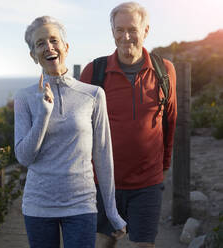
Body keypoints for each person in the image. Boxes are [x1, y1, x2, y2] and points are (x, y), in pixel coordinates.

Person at [14, 16, 126, 248]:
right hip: (38, 207)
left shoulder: (93, 94)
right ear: (33, 56)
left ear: (66, 47)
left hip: (81, 205)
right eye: (40, 43)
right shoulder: (24, 98)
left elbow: (103, 156)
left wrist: (112, 211)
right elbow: (24, 157)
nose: (49, 47)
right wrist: (43, 115)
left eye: (54, 40)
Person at [80, 2, 177, 248]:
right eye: (119, 29)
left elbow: (170, 121)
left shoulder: (164, 71)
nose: (125, 37)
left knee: (144, 244)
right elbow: (79, 128)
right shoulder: (94, 72)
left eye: (132, 29)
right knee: (103, 243)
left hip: (147, 183)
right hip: (103, 182)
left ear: (146, 31)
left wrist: (163, 165)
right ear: (112, 31)